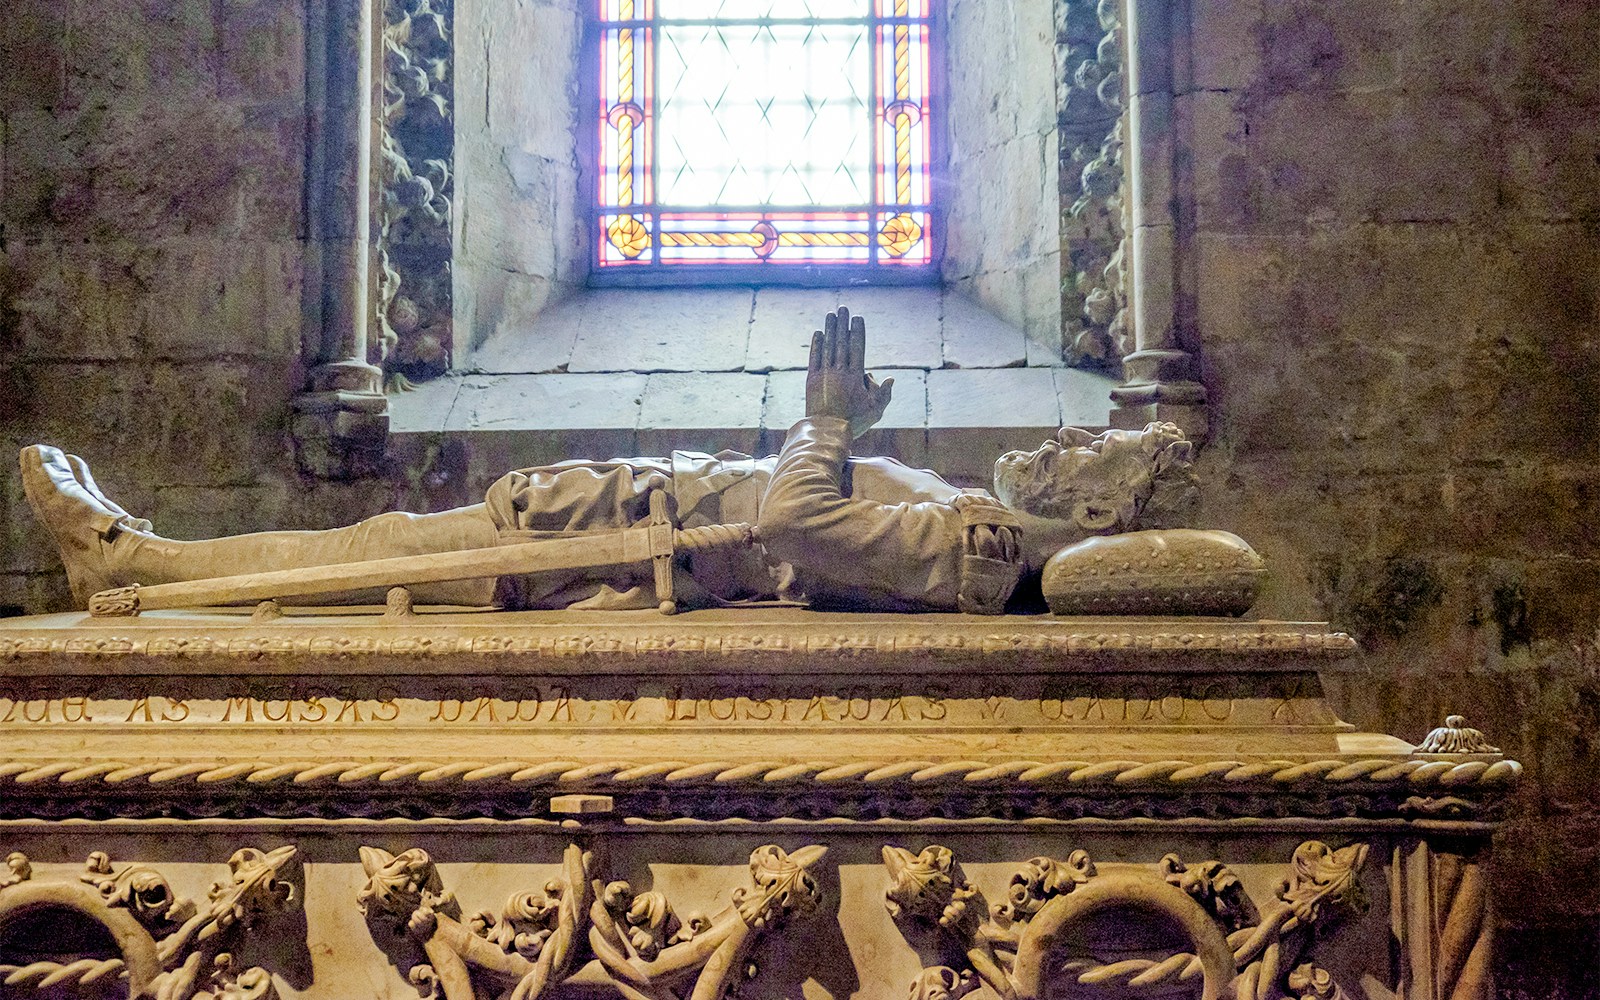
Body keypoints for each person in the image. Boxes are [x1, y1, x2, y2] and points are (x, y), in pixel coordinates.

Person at [20, 309, 1197, 615]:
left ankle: (130, 565)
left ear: (1094, 509)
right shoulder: (962, 511)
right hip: (619, 513)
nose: (1060, 441)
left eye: (1084, 452)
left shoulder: (976, 543)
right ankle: (139, 563)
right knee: (371, 555)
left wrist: (829, 423)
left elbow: (794, 527)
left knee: (368, 557)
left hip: (610, 554)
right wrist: (843, 435)